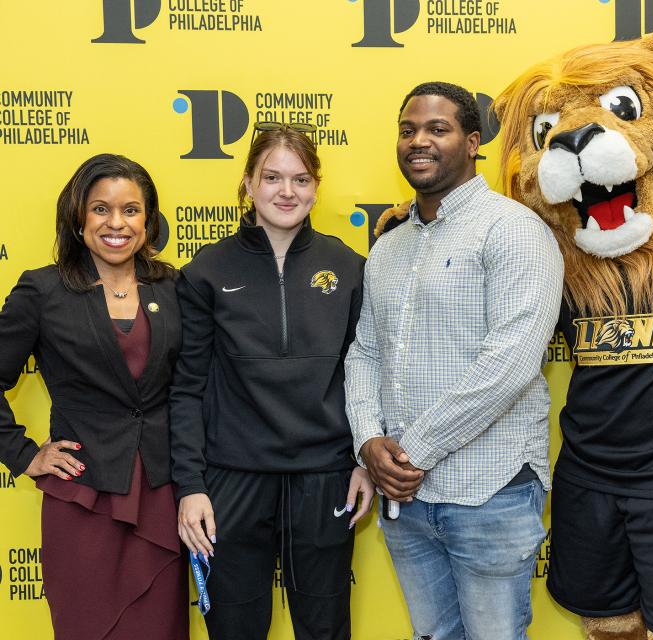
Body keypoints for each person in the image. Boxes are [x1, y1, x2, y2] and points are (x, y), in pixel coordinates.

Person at [344, 82, 564, 640]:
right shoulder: (389, 247)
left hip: (489, 491)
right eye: (408, 129)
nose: (419, 141)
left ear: (472, 142)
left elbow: (509, 364)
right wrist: (369, 441)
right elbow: (365, 350)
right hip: (407, 501)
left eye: (437, 129)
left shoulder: (515, 230)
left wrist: (407, 452)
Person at [170, 122, 373, 640]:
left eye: (301, 179)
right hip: (232, 478)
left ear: (316, 186)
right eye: (273, 177)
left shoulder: (349, 267)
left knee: (325, 628)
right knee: (235, 627)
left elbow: (367, 372)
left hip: (324, 475)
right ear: (247, 183)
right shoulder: (206, 271)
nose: (287, 192)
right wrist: (191, 486)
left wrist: (362, 462)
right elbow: (188, 388)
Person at [0, 154, 187, 639]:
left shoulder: (172, 287)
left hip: (161, 498)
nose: (116, 223)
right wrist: (23, 454)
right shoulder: (42, 290)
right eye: (101, 209)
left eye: (131, 210)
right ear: (78, 216)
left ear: (149, 220)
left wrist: (409, 217)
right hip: (83, 501)